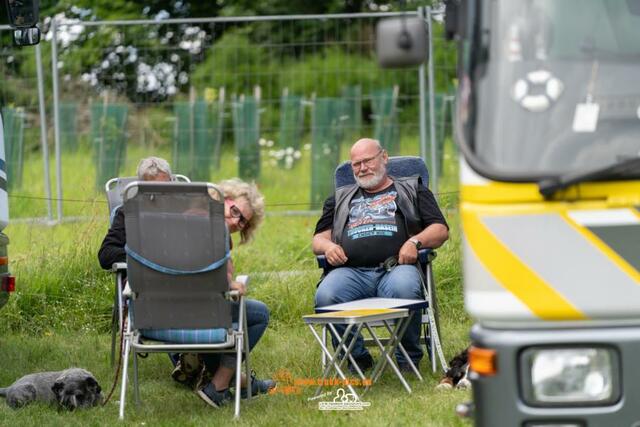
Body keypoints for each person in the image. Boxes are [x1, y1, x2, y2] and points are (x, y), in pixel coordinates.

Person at [97, 157, 275, 408]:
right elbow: (106, 255)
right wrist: (143, 259)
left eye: (163, 188)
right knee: (255, 314)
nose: (157, 195)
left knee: (228, 315)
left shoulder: (192, 216)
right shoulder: (139, 214)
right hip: (182, 310)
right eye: (150, 189)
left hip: (154, 313)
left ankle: (207, 371)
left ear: (172, 185)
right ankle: (224, 383)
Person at [312, 138, 449, 373]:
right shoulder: (340, 197)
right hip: (350, 272)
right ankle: (357, 358)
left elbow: (440, 229)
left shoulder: (412, 189)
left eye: (368, 161)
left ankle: (407, 359)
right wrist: (328, 247)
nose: (362, 168)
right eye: (356, 164)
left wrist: (415, 242)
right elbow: (318, 239)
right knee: (326, 295)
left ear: (383, 158)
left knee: (406, 288)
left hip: (397, 268)